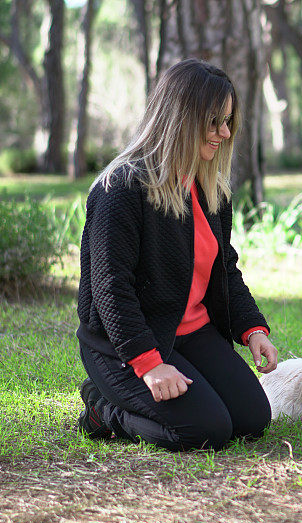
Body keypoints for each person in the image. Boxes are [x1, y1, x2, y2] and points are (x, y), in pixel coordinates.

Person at [75, 58, 277, 451]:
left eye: (228, 122)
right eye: (215, 120)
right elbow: (110, 288)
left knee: (253, 419)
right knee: (204, 431)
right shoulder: (120, 189)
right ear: (181, 117)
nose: (223, 132)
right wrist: (149, 364)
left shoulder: (210, 190)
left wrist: (252, 329)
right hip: (123, 347)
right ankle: (104, 410)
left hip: (191, 333)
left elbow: (224, 270)